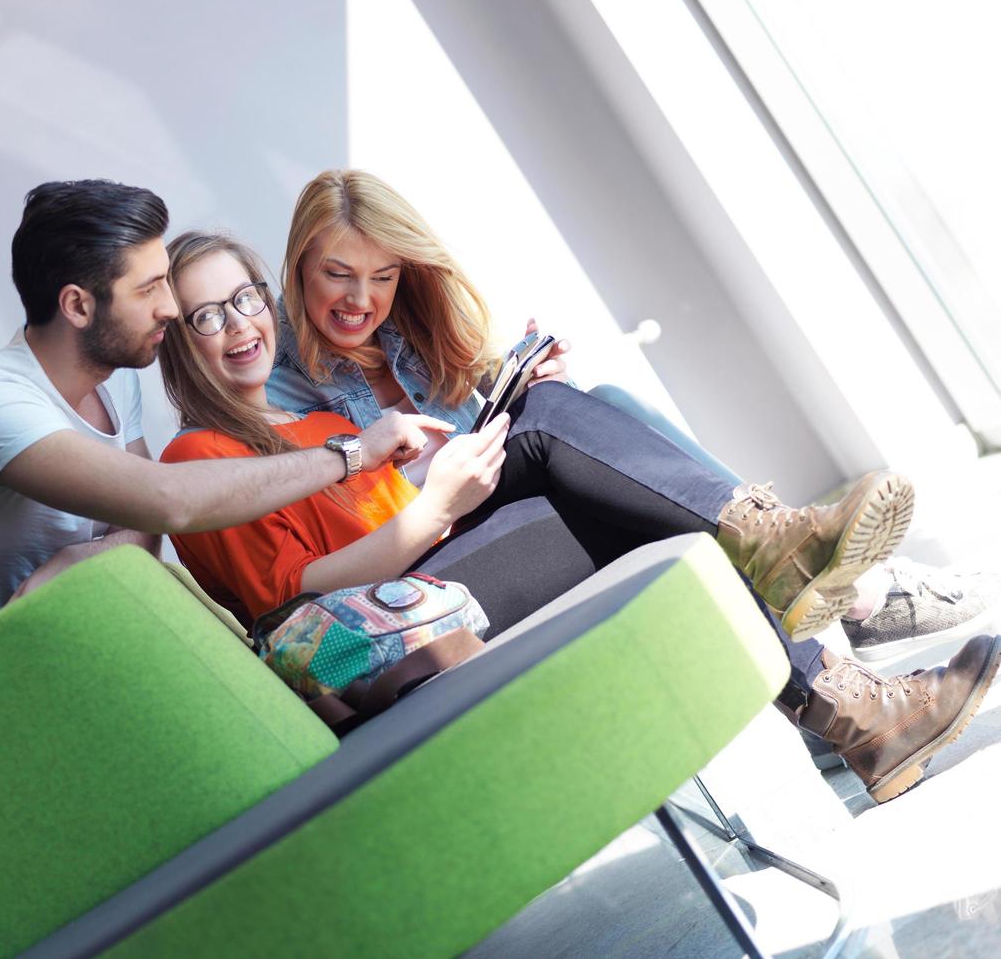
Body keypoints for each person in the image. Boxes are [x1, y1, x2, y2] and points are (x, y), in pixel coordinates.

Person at [158, 227, 1000, 805]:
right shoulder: (195, 461)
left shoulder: (327, 431)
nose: (237, 326)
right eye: (204, 315)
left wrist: (467, 460)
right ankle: (812, 618)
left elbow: (426, 538)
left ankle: (853, 699)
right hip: (373, 650)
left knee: (579, 432)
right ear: (177, 341)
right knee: (585, 455)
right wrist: (438, 506)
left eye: (244, 299)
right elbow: (295, 605)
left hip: (427, 596)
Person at [268, 169, 999, 664]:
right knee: (612, 461)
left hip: (497, 504)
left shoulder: (411, 335)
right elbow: (346, 534)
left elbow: (496, 428)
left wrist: (529, 386)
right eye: (337, 273)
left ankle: (811, 614)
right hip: (427, 559)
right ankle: (845, 590)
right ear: (300, 265)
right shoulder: (276, 388)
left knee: (601, 412)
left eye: (383, 276)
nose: (360, 298)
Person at [0, 180, 445, 734]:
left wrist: (91, 555)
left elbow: (141, 524)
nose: (170, 308)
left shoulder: (116, 378)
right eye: (151, 289)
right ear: (78, 305)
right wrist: (353, 452)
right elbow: (168, 500)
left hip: (8, 664)